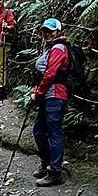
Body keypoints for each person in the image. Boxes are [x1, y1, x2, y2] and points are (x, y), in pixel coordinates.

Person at [31, 18, 70, 187]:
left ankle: (55, 172)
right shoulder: (50, 48)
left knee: (53, 133)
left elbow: (50, 73)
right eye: (44, 30)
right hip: (47, 95)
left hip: (56, 95)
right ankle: (47, 164)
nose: (47, 33)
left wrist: (37, 93)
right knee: (38, 130)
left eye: (50, 30)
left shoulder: (59, 48)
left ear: (58, 32)